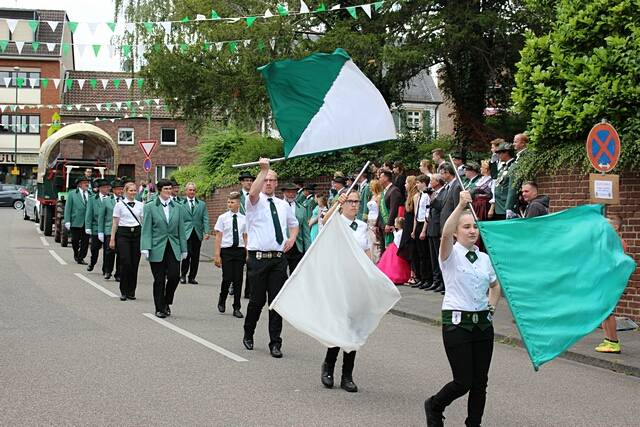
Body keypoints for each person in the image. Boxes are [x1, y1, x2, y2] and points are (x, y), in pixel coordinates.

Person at [425, 190, 502, 427]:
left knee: (480, 382)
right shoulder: (450, 254)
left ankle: (474, 423)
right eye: (466, 227)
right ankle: (435, 405)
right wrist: (459, 206)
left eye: (475, 227)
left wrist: (491, 307)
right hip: (457, 322)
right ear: (458, 232)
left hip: (482, 324)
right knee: (463, 381)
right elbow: (445, 232)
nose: (472, 231)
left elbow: (495, 284)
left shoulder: (484, 258)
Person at [243, 158, 298, 358]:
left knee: (276, 303)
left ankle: (275, 342)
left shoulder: (283, 205)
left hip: (277, 259)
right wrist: (263, 170)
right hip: (258, 258)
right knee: (257, 301)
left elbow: (294, 223)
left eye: (271, 180)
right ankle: (248, 333)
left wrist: (292, 238)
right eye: (265, 179)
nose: (268, 183)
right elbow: (253, 192)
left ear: (276, 183)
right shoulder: (254, 202)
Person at [319, 190, 372, 393]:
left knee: (354, 328)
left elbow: (366, 251)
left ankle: (347, 374)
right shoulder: (336, 222)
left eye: (356, 202)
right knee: (339, 325)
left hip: (357, 282)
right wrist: (335, 203)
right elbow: (324, 221)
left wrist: (370, 273)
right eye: (350, 201)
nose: (353, 205)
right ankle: (328, 367)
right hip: (339, 282)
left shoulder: (362, 226)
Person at [141, 179, 188, 318]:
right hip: (157, 246)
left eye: (170, 189)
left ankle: (167, 301)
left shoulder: (178, 207)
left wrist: (184, 248)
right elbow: (146, 229)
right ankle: (159, 307)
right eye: (166, 189)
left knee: (174, 276)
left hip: (173, 246)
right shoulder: (150, 207)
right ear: (159, 190)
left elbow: (181, 229)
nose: (169, 191)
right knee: (159, 279)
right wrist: (145, 247)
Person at [595, 215, 628, 354]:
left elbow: (613, 263)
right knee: (603, 311)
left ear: (615, 227)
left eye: (607, 224)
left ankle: (613, 342)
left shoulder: (617, 243)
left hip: (610, 281)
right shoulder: (611, 241)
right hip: (606, 280)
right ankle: (608, 340)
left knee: (608, 311)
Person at [213, 191, 247, 318]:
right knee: (227, 278)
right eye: (228, 202)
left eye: (232, 202)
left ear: (238, 204)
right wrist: (217, 255)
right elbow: (218, 237)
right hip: (226, 251)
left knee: (238, 279)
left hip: (239, 251)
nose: (229, 204)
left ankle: (236, 307)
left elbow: (245, 236)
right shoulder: (223, 218)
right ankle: (222, 299)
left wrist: (248, 253)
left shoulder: (244, 219)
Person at [109, 182, 144, 301]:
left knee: (135, 263)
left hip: (137, 234)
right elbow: (115, 223)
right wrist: (112, 239)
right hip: (123, 234)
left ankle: (131, 291)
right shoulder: (119, 205)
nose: (133, 193)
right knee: (126, 262)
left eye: (135, 190)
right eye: (131, 190)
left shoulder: (140, 205)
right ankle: (123, 290)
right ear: (125, 191)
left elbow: (143, 221)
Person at [180, 182, 210, 285]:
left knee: (195, 256)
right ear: (186, 191)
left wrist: (206, 231)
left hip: (197, 233)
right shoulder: (181, 204)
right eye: (190, 190)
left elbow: (205, 218)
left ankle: (192, 277)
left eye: (193, 190)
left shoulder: (201, 204)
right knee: (186, 254)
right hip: (185, 233)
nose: (192, 192)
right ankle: (183, 275)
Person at [426, 174, 447, 293]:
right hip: (431, 227)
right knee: (433, 257)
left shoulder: (443, 193)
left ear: (438, 181)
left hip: (438, 226)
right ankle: (436, 280)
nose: (430, 183)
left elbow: (441, 207)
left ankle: (443, 282)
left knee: (440, 256)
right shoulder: (434, 192)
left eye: (432, 180)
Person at [98, 179, 123, 280]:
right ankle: (108, 271)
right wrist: (100, 231)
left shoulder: (125, 201)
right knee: (109, 252)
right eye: (118, 189)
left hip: (122, 230)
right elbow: (101, 216)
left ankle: (119, 273)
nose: (120, 191)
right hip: (109, 229)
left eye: (122, 189)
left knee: (121, 253)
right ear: (113, 190)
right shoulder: (106, 200)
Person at [281, 182, 308, 273]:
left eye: (293, 192)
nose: (291, 194)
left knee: (296, 275)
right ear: (283, 192)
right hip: (282, 246)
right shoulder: (277, 207)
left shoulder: (302, 209)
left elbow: (306, 232)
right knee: (280, 276)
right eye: (288, 192)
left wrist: (308, 250)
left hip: (297, 247)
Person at [377, 217, 412, 285]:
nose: (394, 224)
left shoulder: (400, 232)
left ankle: (395, 276)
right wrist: (394, 231)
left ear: (399, 225)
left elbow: (397, 241)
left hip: (395, 248)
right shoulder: (400, 231)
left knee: (394, 263)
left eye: (395, 223)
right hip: (395, 247)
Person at [412, 174, 432, 289]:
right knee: (419, 253)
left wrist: (423, 230)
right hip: (418, 223)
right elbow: (416, 213)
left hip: (424, 224)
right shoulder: (418, 196)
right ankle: (421, 277)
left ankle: (427, 278)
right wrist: (414, 230)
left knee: (425, 254)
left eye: (418, 182)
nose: (416, 185)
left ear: (424, 183)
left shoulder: (427, 195)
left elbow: (426, 213)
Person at [64, 176, 91, 265]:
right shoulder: (72, 194)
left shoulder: (91, 194)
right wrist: (67, 220)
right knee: (75, 240)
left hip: (87, 223)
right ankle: (76, 253)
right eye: (84, 183)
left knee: (85, 241)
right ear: (79, 184)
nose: (87, 184)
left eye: (87, 183)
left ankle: (81, 257)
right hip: (75, 221)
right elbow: (68, 208)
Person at [86, 179, 110, 273]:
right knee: (94, 248)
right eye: (104, 187)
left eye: (107, 187)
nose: (106, 189)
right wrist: (88, 227)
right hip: (96, 227)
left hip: (107, 228)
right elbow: (89, 213)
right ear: (99, 189)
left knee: (107, 250)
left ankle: (105, 269)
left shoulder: (111, 199)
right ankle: (92, 262)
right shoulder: (92, 199)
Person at [237, 170, 255, 298]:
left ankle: (248, 290)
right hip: (239, 232)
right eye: (246, 180)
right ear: (242, 182)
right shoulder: (237, 196)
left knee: (250, 261)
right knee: (238, 261)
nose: (249, 182)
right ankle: (235, 283)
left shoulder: (256, 195)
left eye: (250, 180)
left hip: (253, 232)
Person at [397, 175, 418, 281]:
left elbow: (416, 215)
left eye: (406, 183)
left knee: (412, 249)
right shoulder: (408, 196)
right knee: (408, 249)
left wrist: (413, 230)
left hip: (412, 227)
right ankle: (412, 273)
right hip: (407, 225)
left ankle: (414, 274)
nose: (405, 185)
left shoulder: (416, 196)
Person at [377, 169, 402, 253]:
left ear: (386, 178)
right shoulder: (385, 191)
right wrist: (377, 224)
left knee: (389, 249)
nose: (379, 179)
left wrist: (389, 223)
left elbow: (393, 209)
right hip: (382, 224)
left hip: (389, 225)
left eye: (380, 177)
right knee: (383, 250)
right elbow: (380, 208)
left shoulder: (394, 190)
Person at [490, 142, 516, 220]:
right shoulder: (504, 167)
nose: (498, 155)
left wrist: (509, 207)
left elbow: (512, 188)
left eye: (499, 153)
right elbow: (494, 176)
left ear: (506, 153)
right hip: (499, 205)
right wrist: (493, 163)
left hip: (505, 205)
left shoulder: (513, 166)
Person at [367, 179, 382, 262]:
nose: (370, 187)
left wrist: (377, 223)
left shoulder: (379, 196)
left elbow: (380, 210)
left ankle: (377, 260)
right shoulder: (372, 196)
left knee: (375, 241)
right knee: (370, 241)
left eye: (371, 186)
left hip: (375, 219)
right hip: (369, 220)